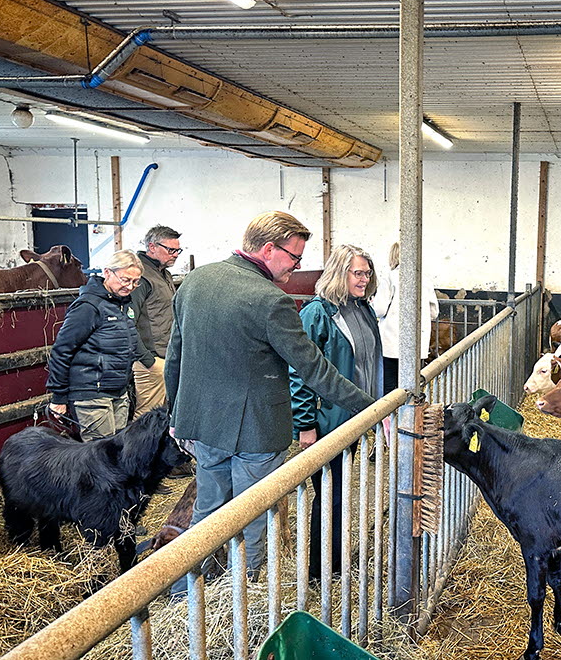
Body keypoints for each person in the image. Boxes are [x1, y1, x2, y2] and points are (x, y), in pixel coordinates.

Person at [165, 212, 375, 579]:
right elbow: (314, 369)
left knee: (207, 511)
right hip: (254, 432)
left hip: (202, 423)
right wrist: (374, 410)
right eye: (294, 257)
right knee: (252, 516)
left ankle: (191, 591)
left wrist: (176, 415)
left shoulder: (195, 281)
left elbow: (175, 356)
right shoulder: (270, 300)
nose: (297, 266)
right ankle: (240, 595)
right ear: (268, 249)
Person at [290, 244, 383, 580]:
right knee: (329, 495)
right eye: (358, 273)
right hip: (328, 421)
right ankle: (320, 571)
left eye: (367, 273)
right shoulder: (318, 314)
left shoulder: (363, 309)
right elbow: (299, 372)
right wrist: (305, 424)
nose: (364, 279)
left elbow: (369, 363)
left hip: (354, 419)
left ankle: (336, 560)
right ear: (339, 273)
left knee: (340, 494)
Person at [47, 250, 155, 440]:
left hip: (118, 391)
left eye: (135, 282)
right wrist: (58, 397)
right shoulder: (88, 306)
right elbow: (62, 350)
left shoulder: (123, 305)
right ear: (107, 272)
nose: (130, 286)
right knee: (99, 457)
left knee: (118, 451)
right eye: (125, 279)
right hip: (92, 394)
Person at [129, 225, 182, 419]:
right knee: (146, 419)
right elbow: (128, 323)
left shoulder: (164, 273)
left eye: (178, 250)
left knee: (162, 417)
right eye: (171, 250)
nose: (175, 255)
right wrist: (147, 360)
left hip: (165, 357)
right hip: (152, 361)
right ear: (152, 247)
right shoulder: (140, 277)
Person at [373, 241, 440, 394]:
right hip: (418, 345)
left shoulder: (390, 277)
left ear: (393, 256)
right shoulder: (424, 279)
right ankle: (411, 416)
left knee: (390, 387)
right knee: (413, 387)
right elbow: (434, 312)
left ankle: (391, 417)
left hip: (392, 345)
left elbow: (379, 309)